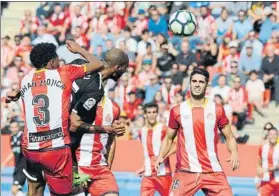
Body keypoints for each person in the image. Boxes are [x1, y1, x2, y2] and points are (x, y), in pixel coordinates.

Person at [5, 41, 105, 195]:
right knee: (64, 193)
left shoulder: (25, 80)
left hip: (31, 148)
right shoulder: (64, 72)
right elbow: (97, 64)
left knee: (35, 190)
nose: (59, 62)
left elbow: (33, 89)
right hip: (55, 148)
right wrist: (79, 50)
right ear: (51, 62)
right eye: (57, 59)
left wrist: (17, 93)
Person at [156, 68, 239, 196]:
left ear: (207, 85)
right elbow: (168, 138)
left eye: (201, 82)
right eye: (194, 81)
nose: (197, 84)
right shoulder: (177, 111)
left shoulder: (217, 109)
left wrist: (234, 152)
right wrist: (161, 155)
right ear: (189, 84)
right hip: (185, 171)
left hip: (212, 171)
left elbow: (229, 137)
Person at [76, 96, 121, 196]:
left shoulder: (113, 108)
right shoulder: (75, 103)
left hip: (99, 168)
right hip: (76, 168)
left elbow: (111, 140)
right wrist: (75, 169)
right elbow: (66, 139)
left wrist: (108, 166)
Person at [137, 103, 174, 196]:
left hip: (163, 174)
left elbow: (176, 146)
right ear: (145, 114)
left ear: (157, 113)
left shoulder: (164, 129)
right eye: (149, 112)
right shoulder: (141, 132)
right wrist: (143, 166)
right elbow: (147, 152)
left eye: (154, 112)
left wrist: (162, 156)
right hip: (148, 175)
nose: (152, 115)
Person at [1, 121, 26, 196]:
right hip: (17, 167)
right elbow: (13, 151)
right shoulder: (12, 137)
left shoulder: (23, 136)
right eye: (12, 127)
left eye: (15, 127)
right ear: (10, 128)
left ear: (18, 127)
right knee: (16, 191)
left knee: (14, 189)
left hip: (24, 166)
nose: (14, 129)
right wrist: (4, 163)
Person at [256, 128, 279, 196]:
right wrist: (257, 180)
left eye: (275, 134)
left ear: (277, 136)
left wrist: (270, 169)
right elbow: (259, 163)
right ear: (268, 136)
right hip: (266, 181)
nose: (273, 136)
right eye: (271, 134)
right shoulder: (263, 148)